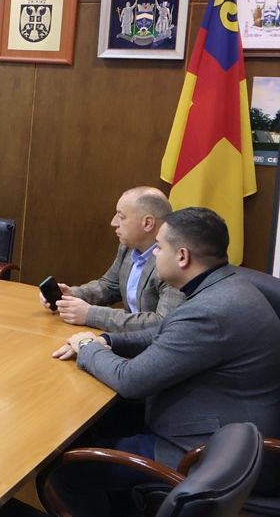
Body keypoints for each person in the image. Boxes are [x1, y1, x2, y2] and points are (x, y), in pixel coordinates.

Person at [51, 207, 280, 515]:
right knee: (96, 425)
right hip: (227, 424)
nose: (155, 254)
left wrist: (88, 347)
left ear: (182, 256)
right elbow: (167, 331)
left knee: (66, 470)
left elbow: (131, 380)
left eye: (159, 247)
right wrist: (110, 340)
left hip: (208, 452)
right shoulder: (225, 284)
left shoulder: (210, 311)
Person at [47, 187, 183, 332]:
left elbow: (162, 322)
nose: (113, 222)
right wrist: (72, 295)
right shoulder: (128, 247)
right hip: (128, 337)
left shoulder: (174, 262)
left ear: (148, 223)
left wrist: (91, 314)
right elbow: (110, 285)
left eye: (121, 217)